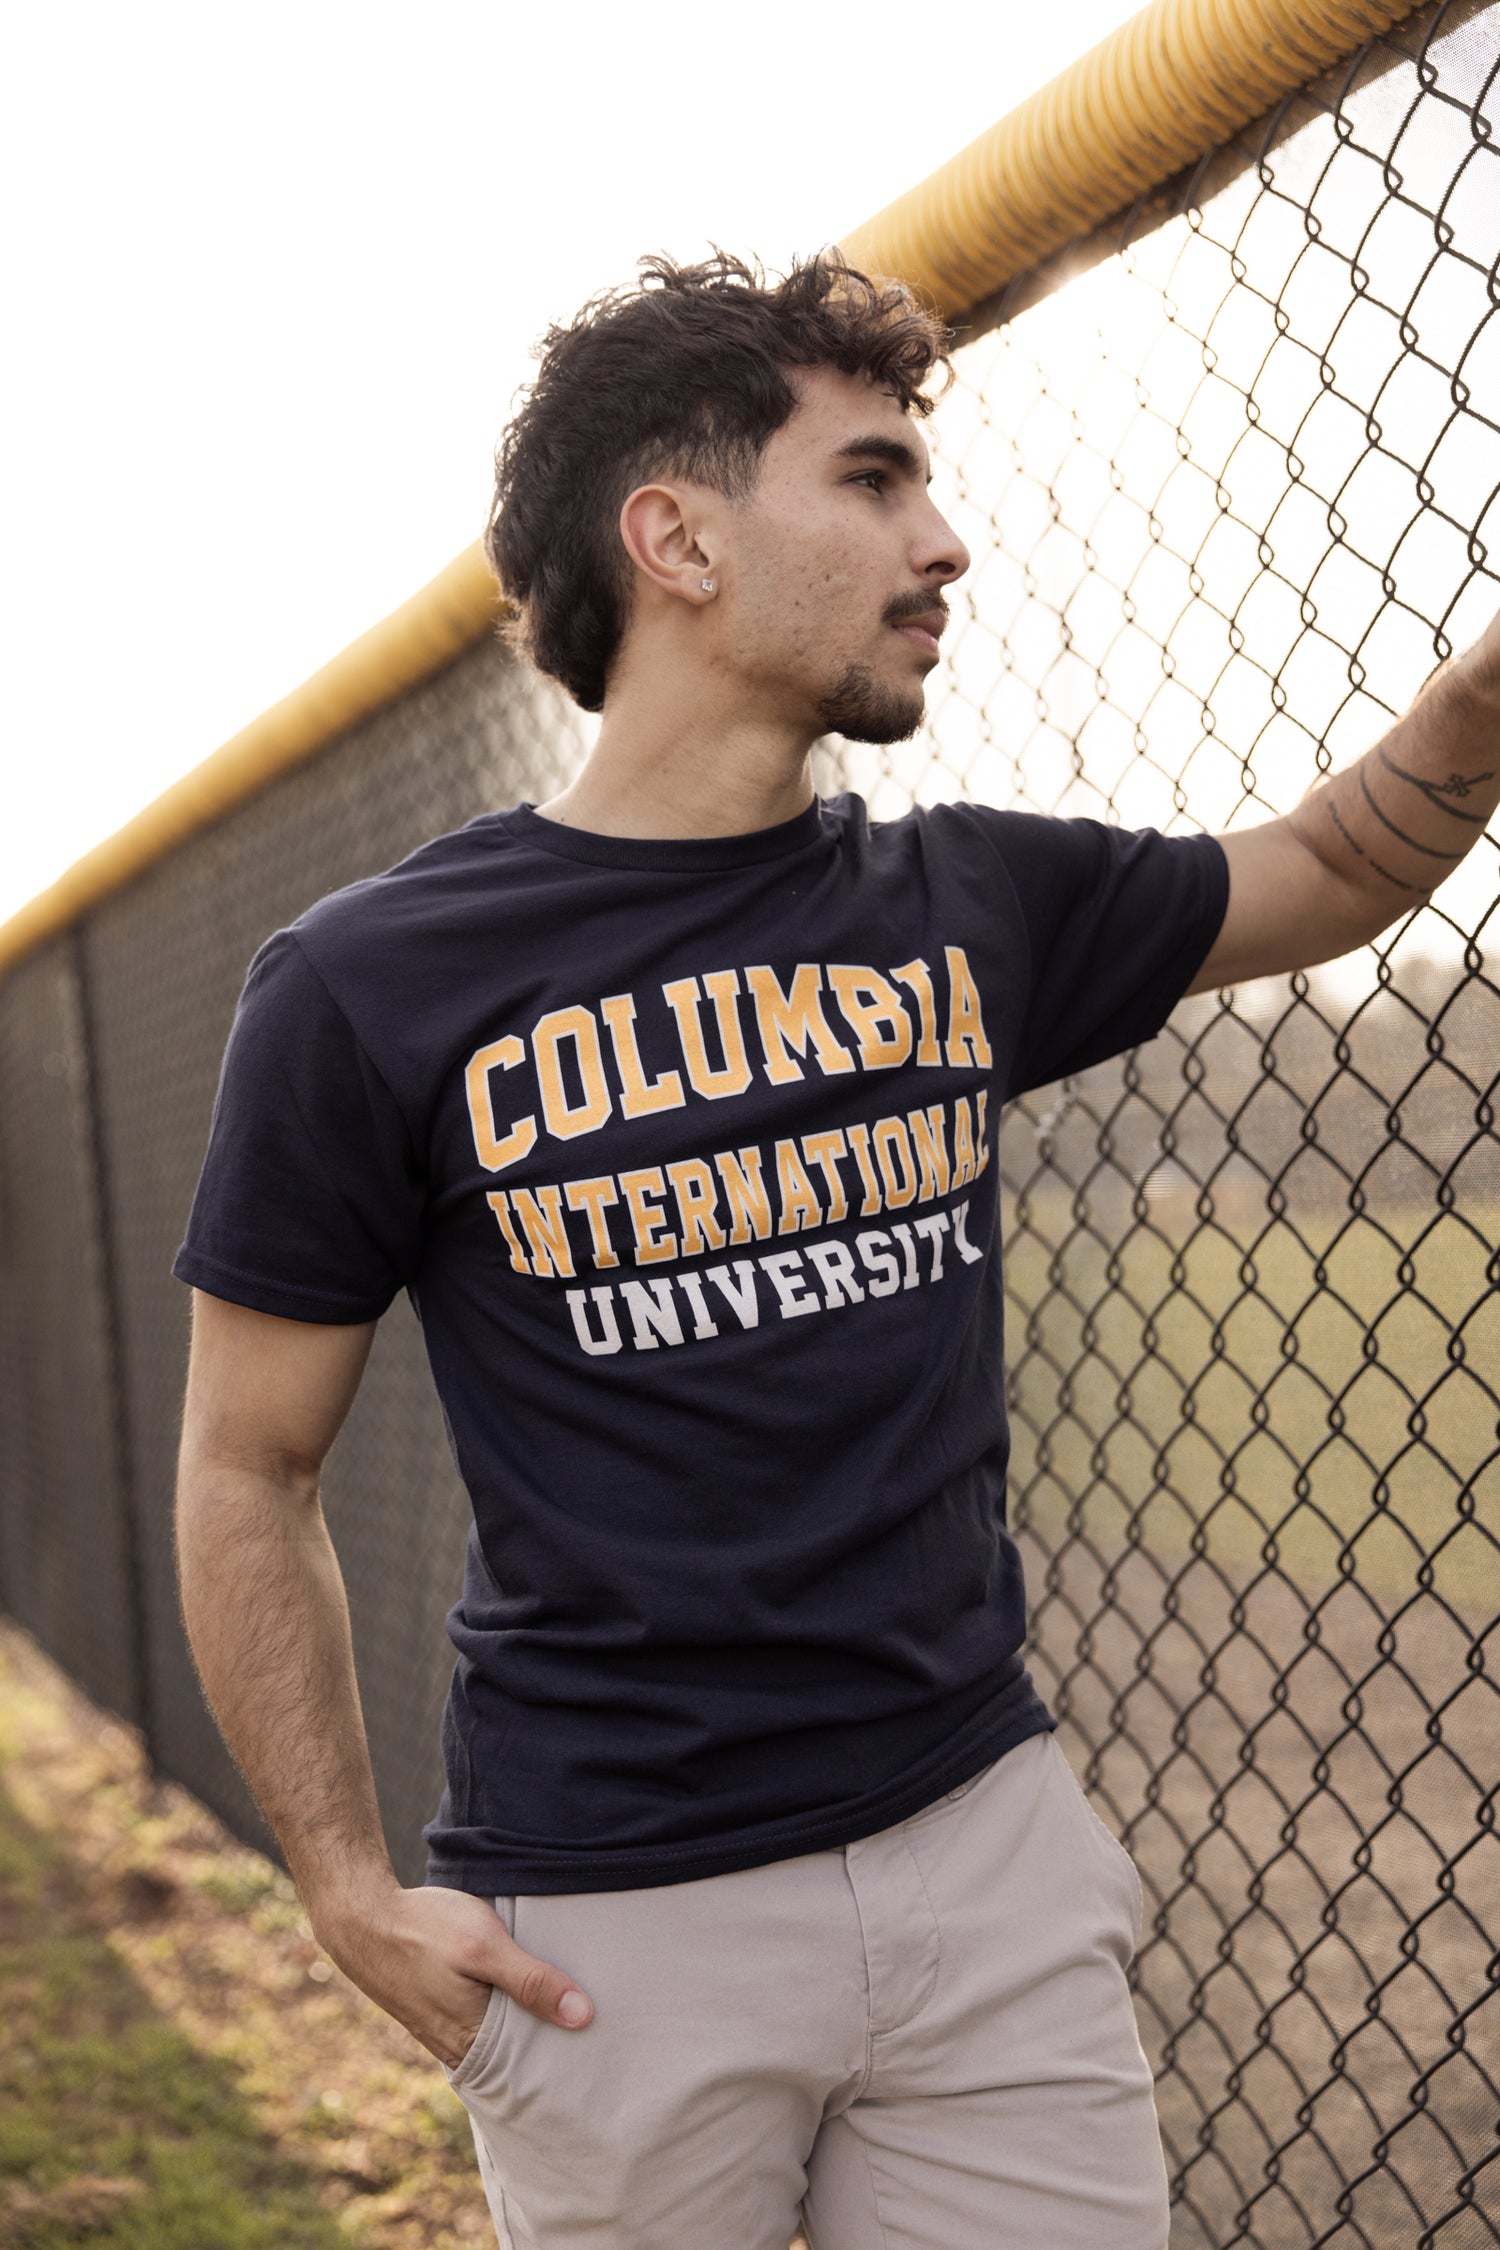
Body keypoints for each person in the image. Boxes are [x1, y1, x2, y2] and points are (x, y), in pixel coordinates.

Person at [173, 251, 1500, 2250]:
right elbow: (246, 1463)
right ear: (677, 537)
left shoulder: (963, 900)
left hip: (985, 1848)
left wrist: (1479, 708)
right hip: (615, 1911)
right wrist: (345, 1889)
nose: (941, 539)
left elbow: (1327, 867)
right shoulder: (368, 984)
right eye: (872, 479)